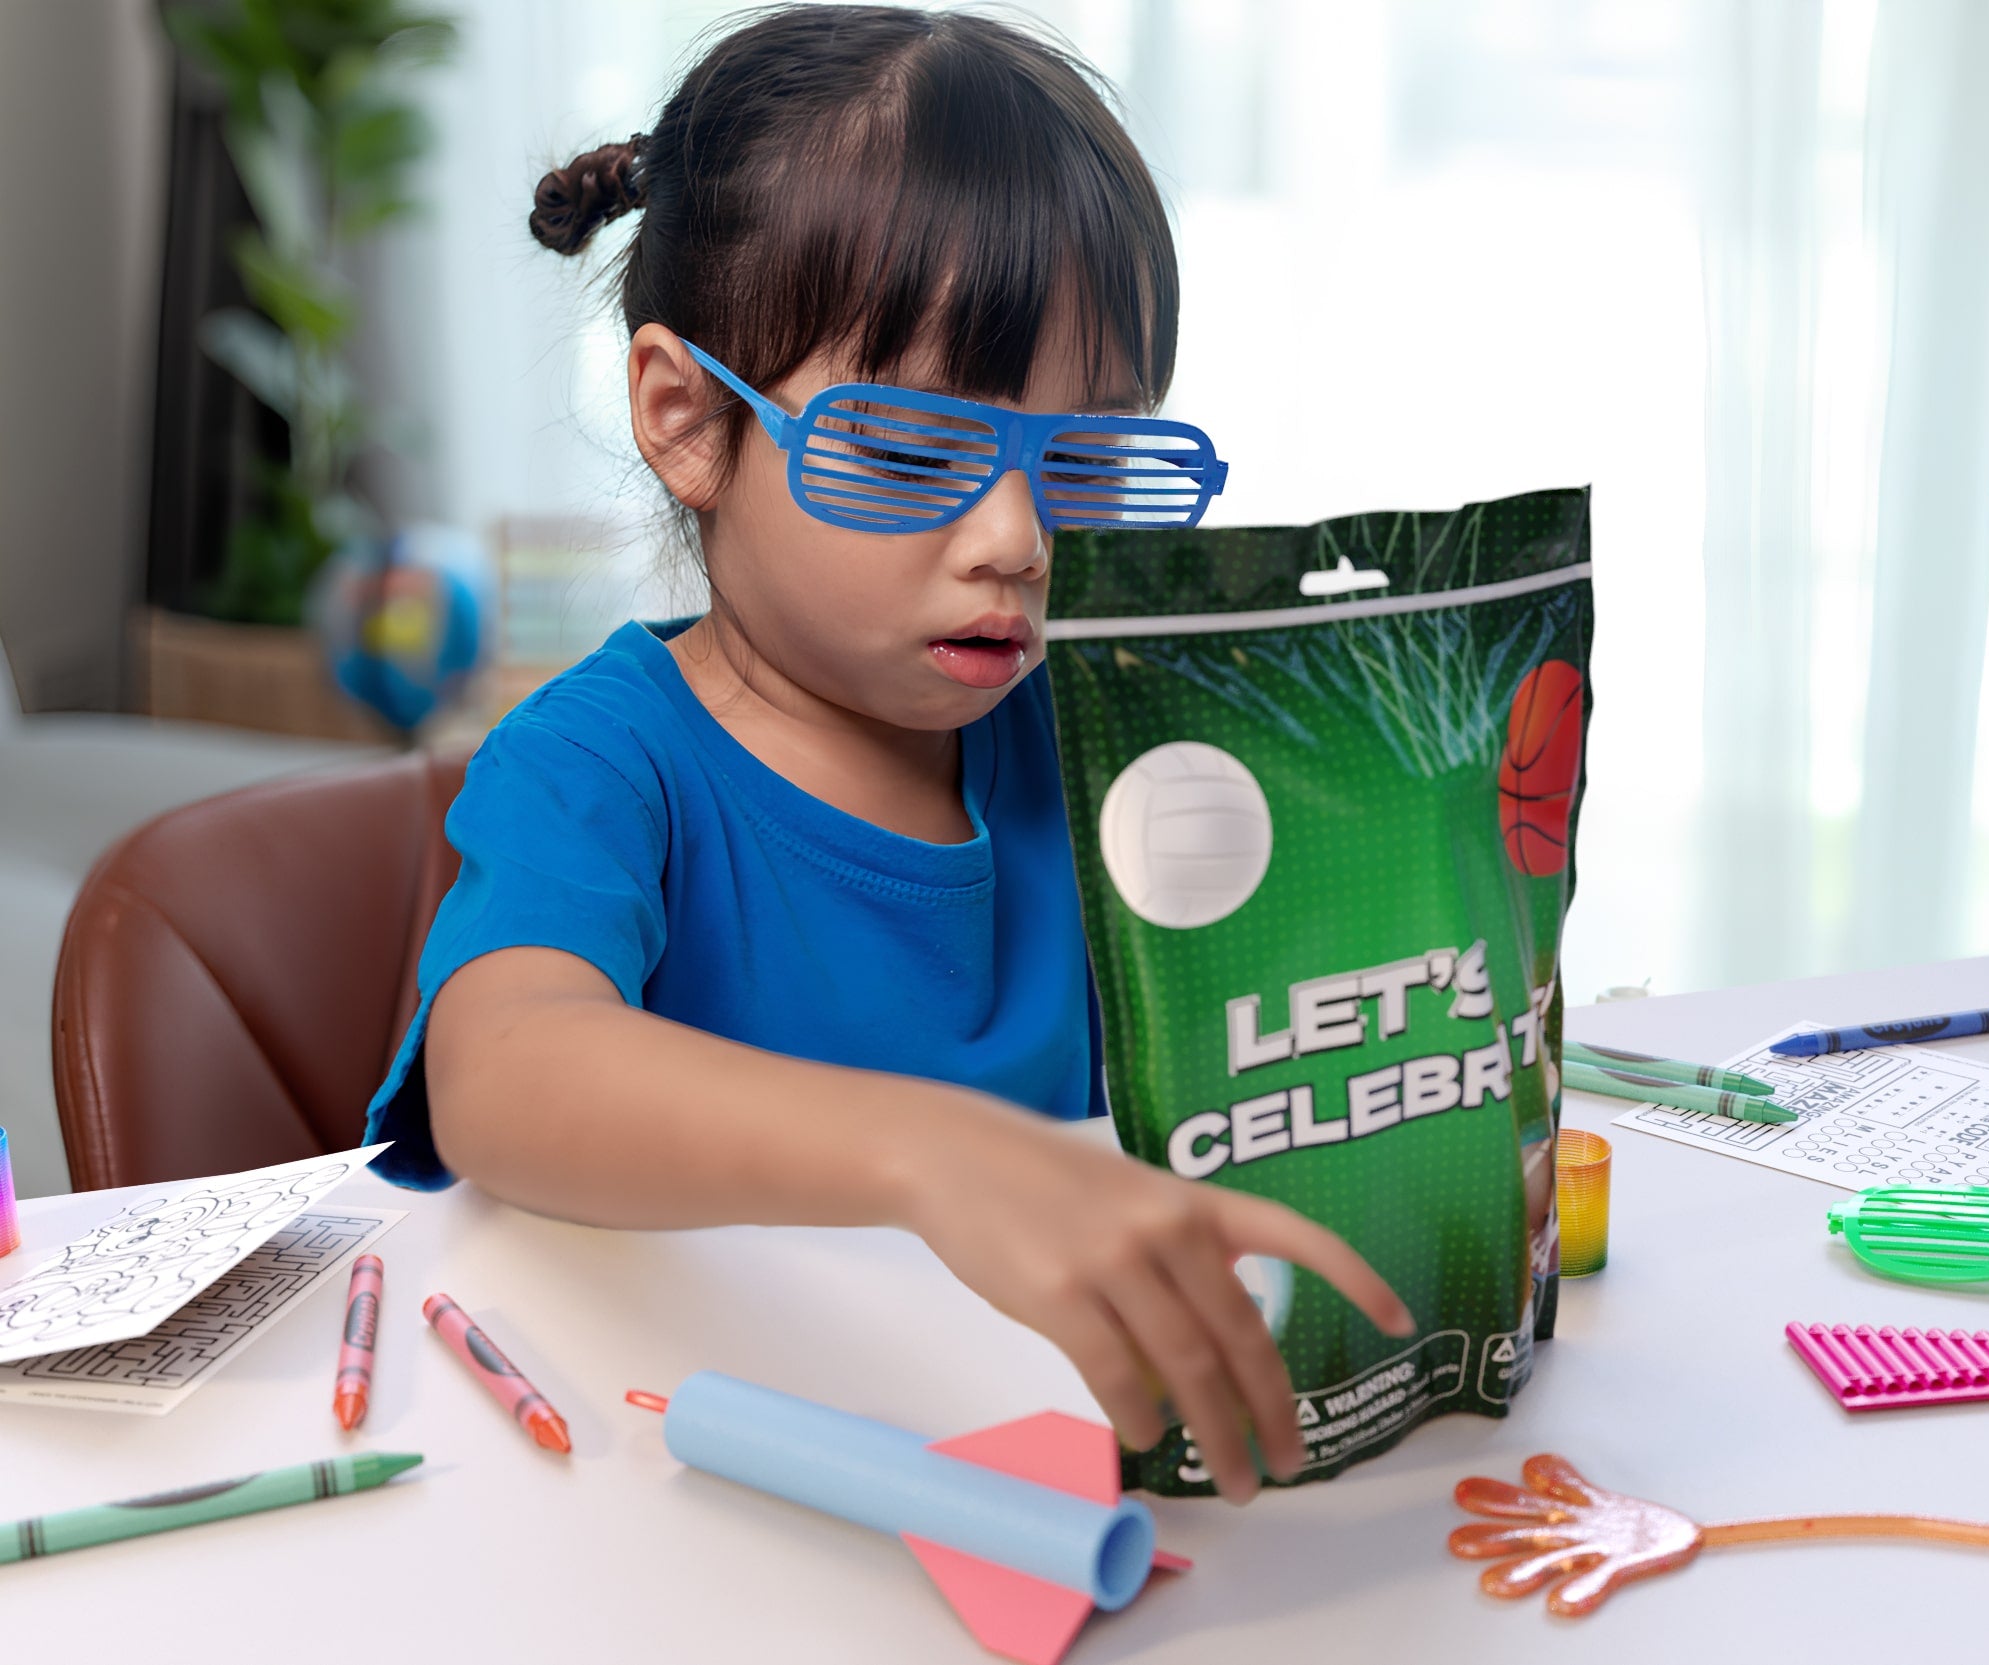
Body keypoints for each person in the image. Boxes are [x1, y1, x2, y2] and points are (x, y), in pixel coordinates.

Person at [364, 4, 1410, 1503]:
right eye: (916, 449)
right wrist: (935, 1155)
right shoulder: (600, 764)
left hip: (1044, 1454)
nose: (1018, 541)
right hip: (704, 1477)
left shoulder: (1105, 740)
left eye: (1086, 459)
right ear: (687, 420)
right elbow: (505, 1071)